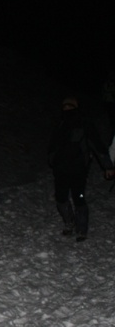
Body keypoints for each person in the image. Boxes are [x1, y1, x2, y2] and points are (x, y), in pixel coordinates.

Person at [47, 96, 115, 242]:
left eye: (70, 106)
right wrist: (52, 159)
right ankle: (69, 222)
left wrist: (108, 166)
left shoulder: (84, 124)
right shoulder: (60, 124)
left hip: (78, 169)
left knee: (79, 197)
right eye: (65, 106)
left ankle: (81, 229)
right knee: (61, 198)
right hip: (61, 169)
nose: (67, 109)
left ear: (76, 108)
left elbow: (97, 146)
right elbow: (53, 145)